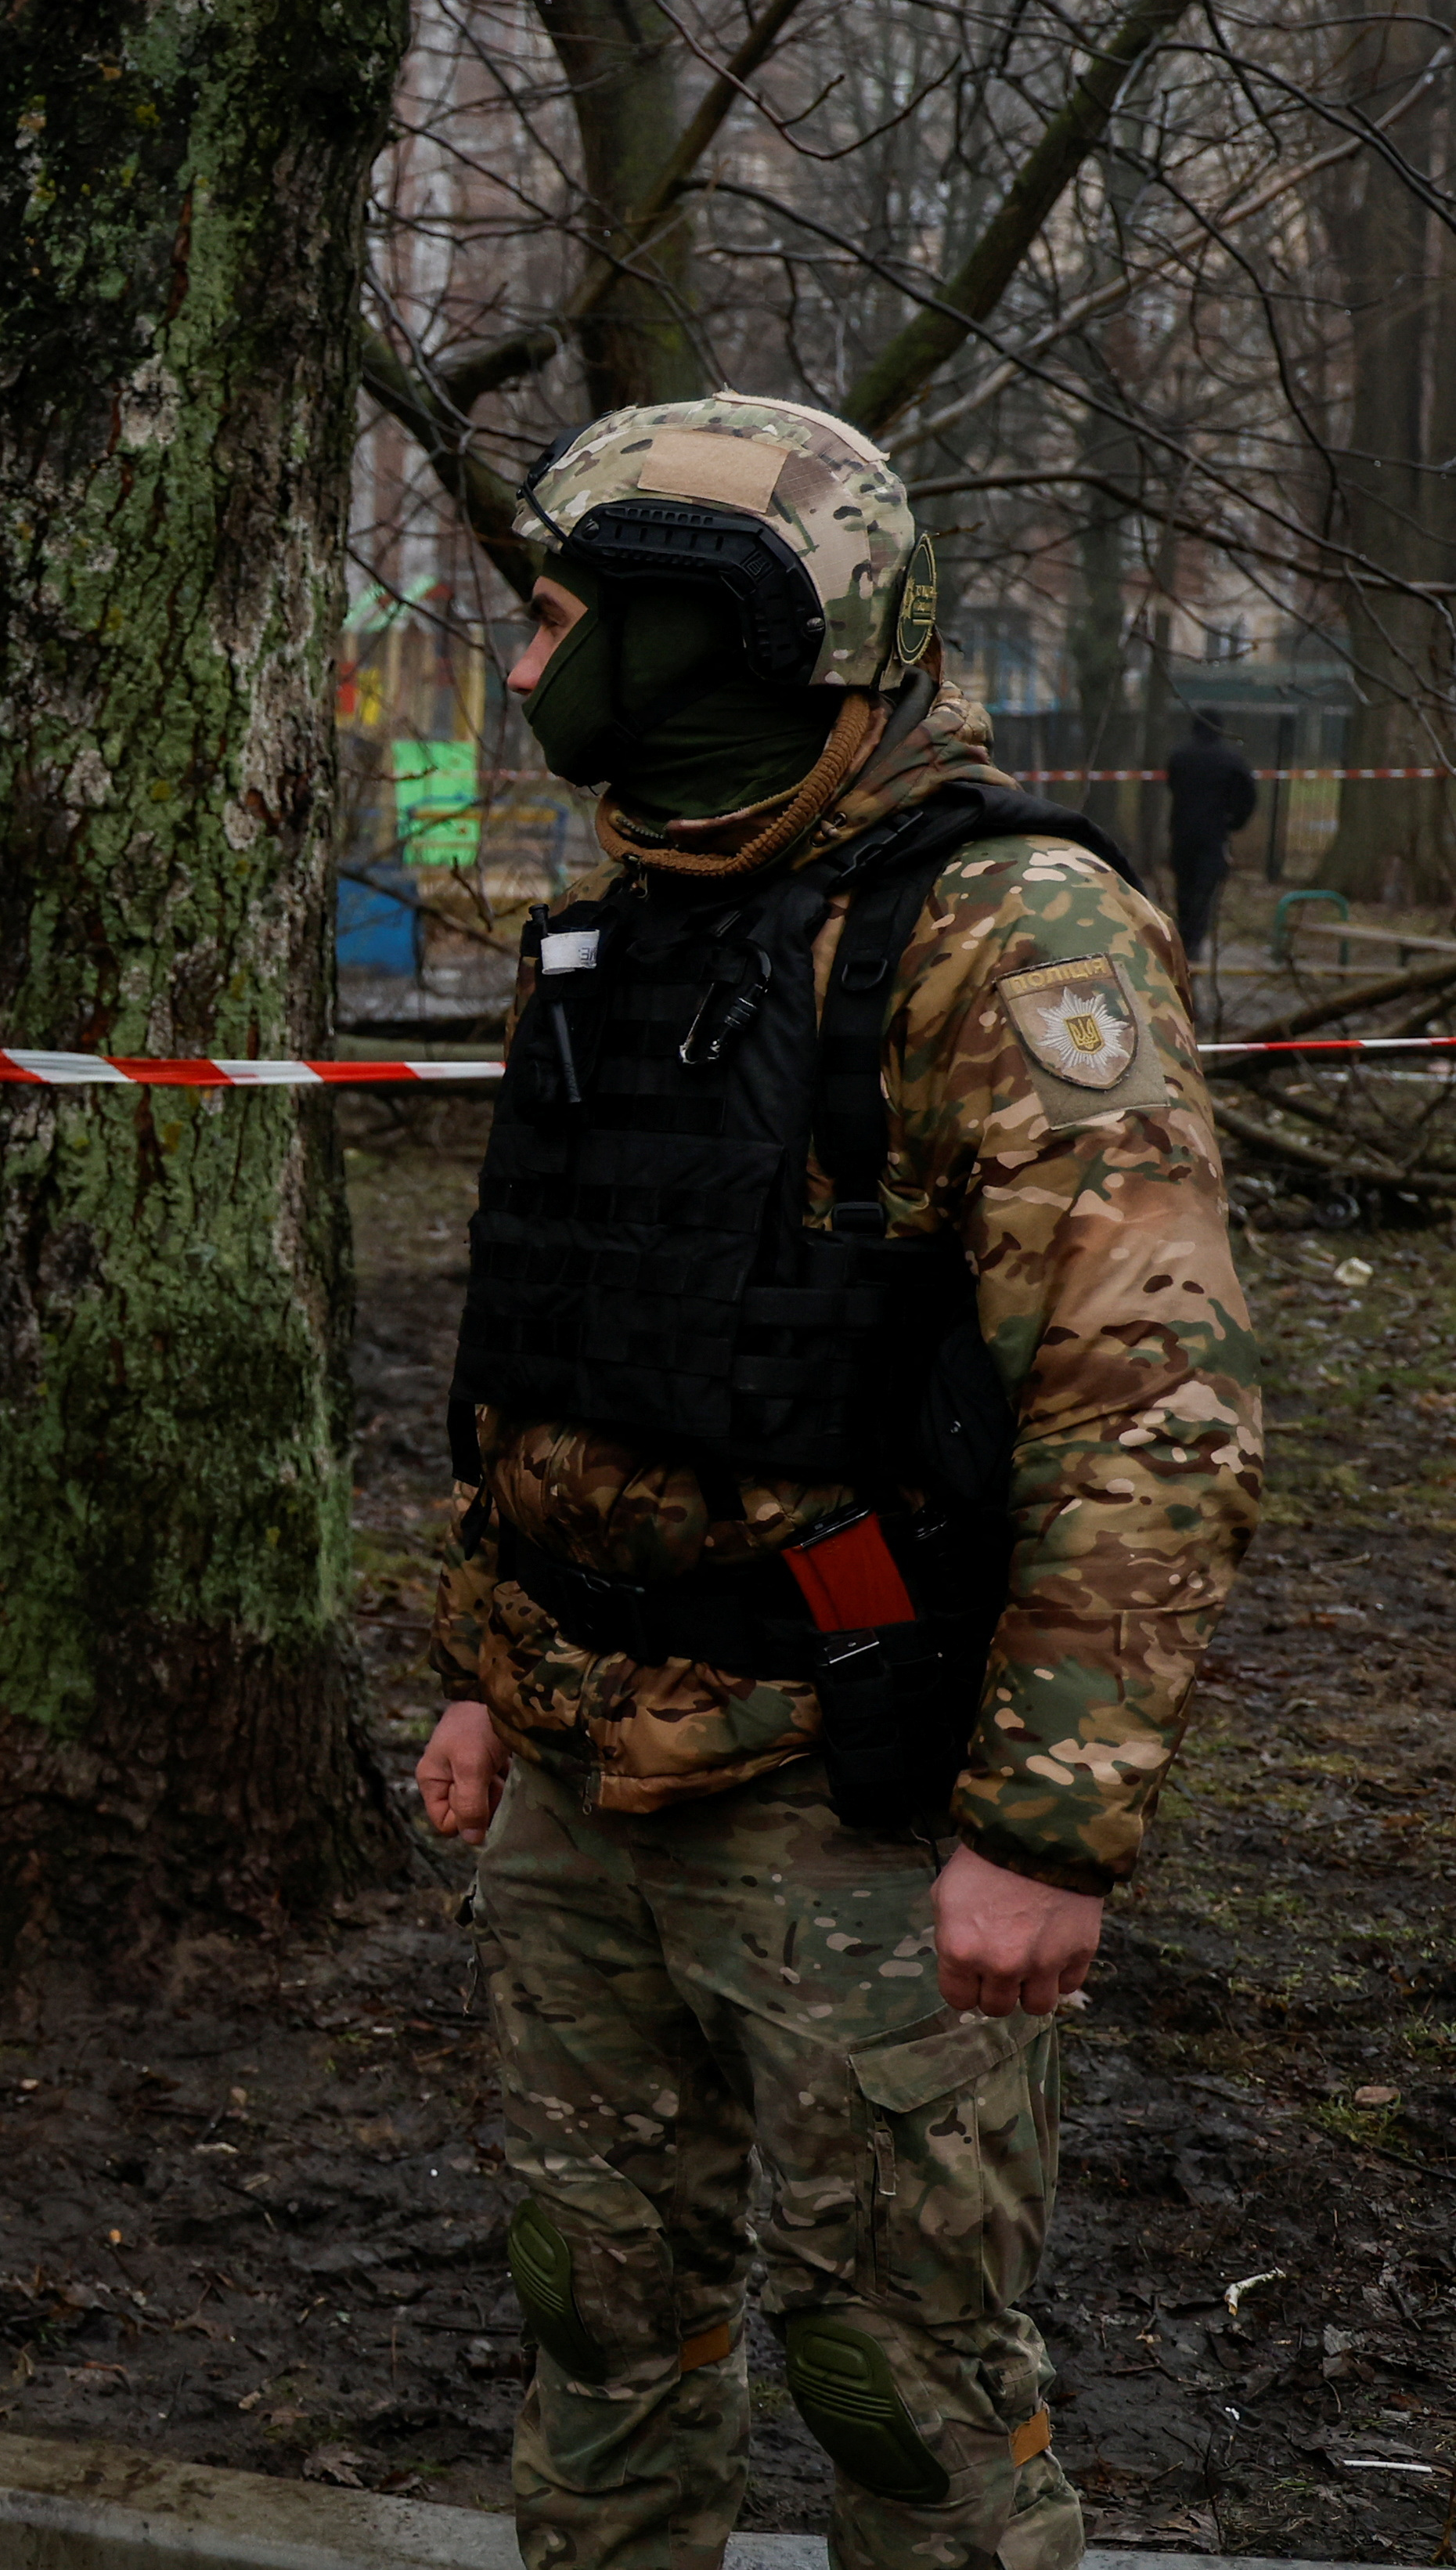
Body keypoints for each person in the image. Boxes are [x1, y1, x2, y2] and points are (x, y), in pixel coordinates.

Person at [409, 395, 1260, 2570]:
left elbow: (1142, 1412)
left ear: (714, 635)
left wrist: (1044, 1834)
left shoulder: (1007, 934)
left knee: (904, 2391)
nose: (527, 668)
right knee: (592, 2327)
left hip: (854, 1794)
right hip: (584, 1768)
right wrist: (488, 1668)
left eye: (564, 616)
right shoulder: (629, 909)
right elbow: (555, 1342)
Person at [1161, 711, 1256, 976]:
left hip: (1182, 834)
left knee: (1185, 893)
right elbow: (1248, 795)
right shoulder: (1231, 760)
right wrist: (1234, 822)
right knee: (1205, 894)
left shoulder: (1179, 757)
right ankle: (1193, 950)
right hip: (1213, 836)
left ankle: (1183, 944)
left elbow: (1173, 786)